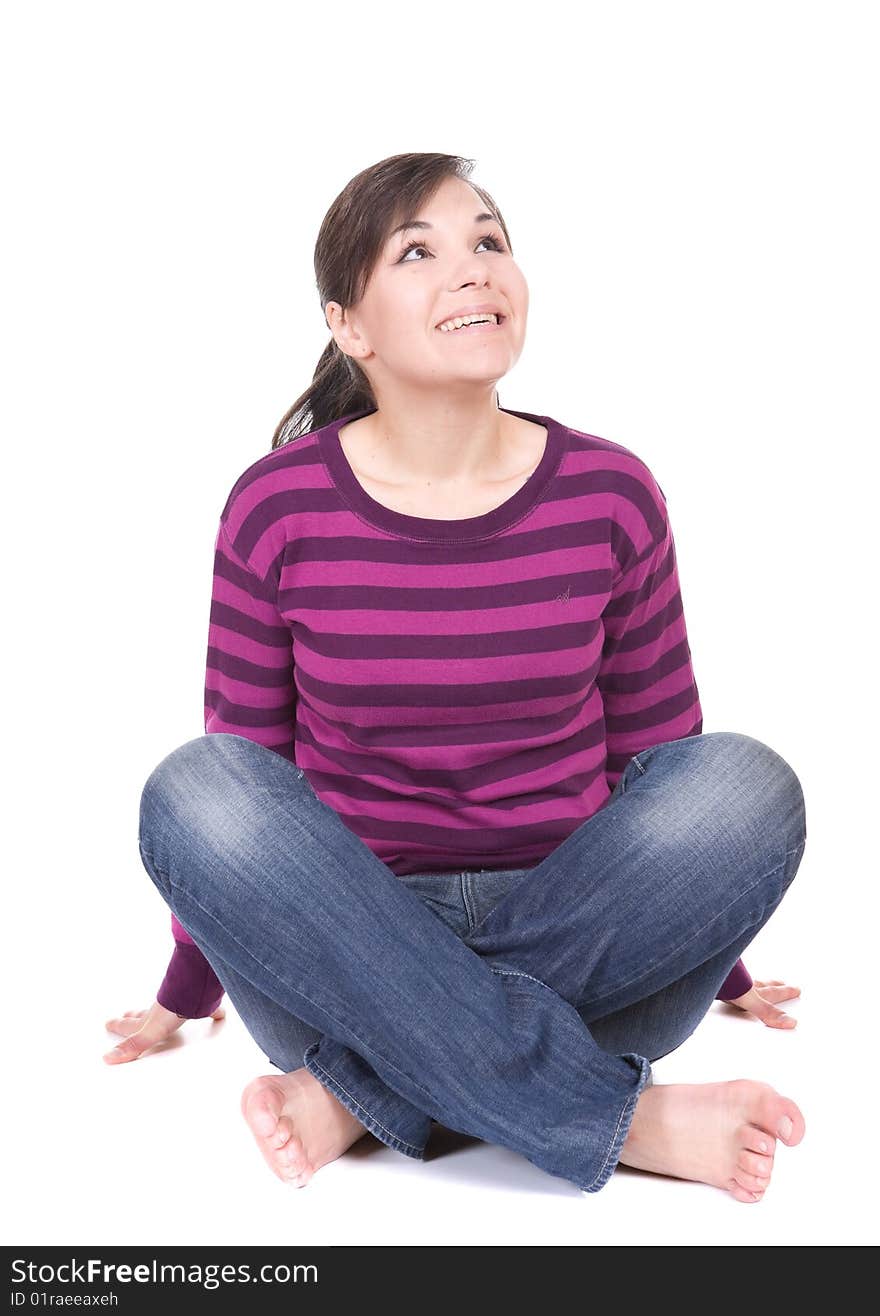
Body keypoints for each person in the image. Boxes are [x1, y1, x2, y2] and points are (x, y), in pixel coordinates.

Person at [106, 153, 807, 1201]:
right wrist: (184, 988)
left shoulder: (611, 493)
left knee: (749, 780)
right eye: (419, 251)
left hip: (591, 945)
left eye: (489, 241)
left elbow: (664, 763)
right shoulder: (277, 506)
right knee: (189, 785)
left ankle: (351, 1094)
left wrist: (721, 953)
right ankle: (628, 1119)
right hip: (339, 950)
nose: (473, 269)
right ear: (351, 326)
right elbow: (245, 784)